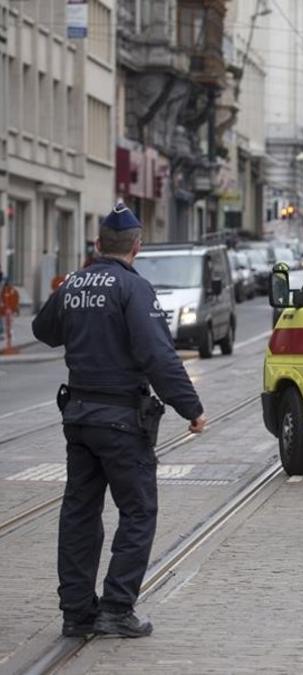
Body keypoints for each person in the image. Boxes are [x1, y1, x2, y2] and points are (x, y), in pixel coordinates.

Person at [32, 202, 208, 639]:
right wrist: (191, 407)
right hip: (122, 421)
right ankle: (115, 607)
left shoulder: (74, 283)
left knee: (79, 512)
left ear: (97, 244)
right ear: (137, 246)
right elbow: (157, 356)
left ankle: (76, 612)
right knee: (138, 512)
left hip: (79, 417)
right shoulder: (134, 288)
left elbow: (43, 330)